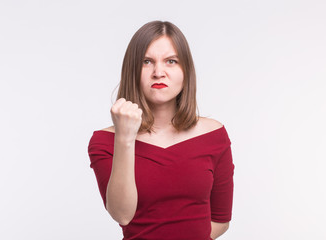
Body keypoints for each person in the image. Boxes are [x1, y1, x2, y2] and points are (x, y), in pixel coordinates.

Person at [88, 20, 235, 240]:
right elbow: (122, 214)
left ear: (186, 70)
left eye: (171, 61)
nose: (159, 72)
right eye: (147, 61)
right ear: (132, 70)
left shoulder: (214, 135)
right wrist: (125, 139)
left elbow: (221, 220)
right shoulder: (104, 141)